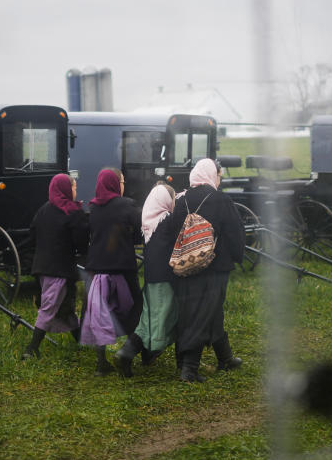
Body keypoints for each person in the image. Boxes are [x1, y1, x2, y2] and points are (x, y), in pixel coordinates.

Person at [169, 158, 245, 382]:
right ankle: (189, 369)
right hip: (215, 268)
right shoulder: (221, 199)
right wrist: (236, 257)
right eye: (219, 176)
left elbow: (174, 232)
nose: (219, 181)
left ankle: (225, 357)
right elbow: (235, 233)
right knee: (203, 314)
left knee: (204, 311)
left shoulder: (181, 200)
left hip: (187, 267)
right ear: (212, 175)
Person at [80, 168, 143, 375]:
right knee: (136, 308)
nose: (123, 185)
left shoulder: (93, 208)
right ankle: (128, 355)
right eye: (122, 180)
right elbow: (139, 232)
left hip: (97, 269)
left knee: (100, 313)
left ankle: (101, 363)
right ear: (116, 183)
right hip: (123, 269)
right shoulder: (128, 206)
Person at [22, 173, 89, 359]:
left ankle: (81, 341)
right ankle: (31, 348)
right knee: (50, 307)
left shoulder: (44, 209)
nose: (75, 191)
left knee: (66, 306)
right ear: (66, 189)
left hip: (43, 266)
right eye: (74, 187)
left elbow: (33, 233)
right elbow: (81, 242)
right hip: (58, 268)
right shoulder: (72, 211)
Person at [115, 182, 178, 377]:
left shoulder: (149, 222)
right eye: (172, 199)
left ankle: (141, 353)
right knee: (161, 319)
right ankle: (129, 353)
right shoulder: (168, 221)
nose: (174, 203)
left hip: (151, 278)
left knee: (148, 318)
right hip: (164, 279)